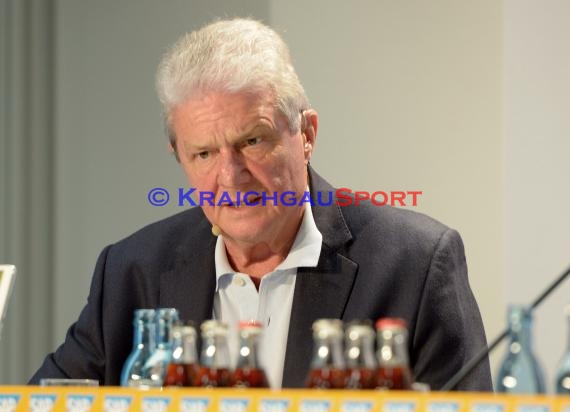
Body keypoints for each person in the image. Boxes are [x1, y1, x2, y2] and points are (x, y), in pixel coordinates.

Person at [29, 18, 492, 390]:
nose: (230, 176)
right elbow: (41, 403)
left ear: (306, 134)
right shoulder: (133, 271)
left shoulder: (415, 264)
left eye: (252, 140)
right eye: (204, 153)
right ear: (179, 158)